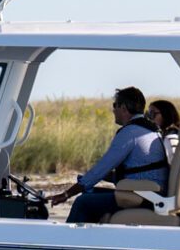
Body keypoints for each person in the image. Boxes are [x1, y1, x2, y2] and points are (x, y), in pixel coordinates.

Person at [49, 87, 167, 224]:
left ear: (123, 108)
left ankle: (68, 242)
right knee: (91, 193)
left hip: (146, 196)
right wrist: (102, 177)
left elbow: (101, 169)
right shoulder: (150, 129)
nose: (113, 110)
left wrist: (66, 194)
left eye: (114, 105)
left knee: (83, 202)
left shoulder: (130, 133)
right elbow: (138, 170)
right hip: (150, 192)